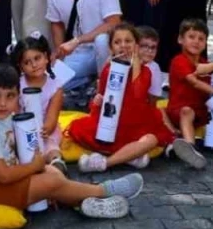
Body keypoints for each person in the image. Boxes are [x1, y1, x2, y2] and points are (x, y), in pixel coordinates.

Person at [0, 64, 142, 217]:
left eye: (10, 96)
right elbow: (3, 176)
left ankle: (85, 204)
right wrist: (34, 167)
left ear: (18, 96)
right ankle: (104, 191)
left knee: (54, 173)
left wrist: (38, 168)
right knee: (51, 182)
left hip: (2, 178)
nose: (3, 103)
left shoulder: (3, 115)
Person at [69, 24, 175, 171]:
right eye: (117, 42)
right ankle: (130, 156)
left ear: (136, 45)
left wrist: (136, 62)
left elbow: (138, 94)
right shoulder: (108, 69)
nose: (123, 45)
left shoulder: (145, 71)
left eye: (128, 41)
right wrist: (97, 101)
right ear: (111, 48)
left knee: (152, 139)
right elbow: (101, 97)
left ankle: (106, 163)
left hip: (136, 124)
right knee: (77, 128)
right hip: (112, 124)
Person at [46, 0, 123, 110]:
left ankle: (103, 88)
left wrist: (78, 40)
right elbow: (56, 23)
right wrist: (60, 53)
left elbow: (114, 22)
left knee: (102, 40)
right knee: (51, 83)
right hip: (78, 54)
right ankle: (89, 83)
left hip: (105, 50)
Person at [12, 35, 64, 169]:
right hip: (22, 129)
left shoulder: (55, 87)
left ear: (46, 57)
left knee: (50, 147)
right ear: (20, 67)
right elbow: (14, 112)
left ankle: (56, 162)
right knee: (20, 150)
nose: (34, 65)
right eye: (27, 62)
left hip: (45, 130)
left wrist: (45, 130)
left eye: (37, 58)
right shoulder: (17, 85)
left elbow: (52, 117)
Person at [166, 17, 212, 170]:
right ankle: (191, 148)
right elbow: (194, 82)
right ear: (180, 39)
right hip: (178, 111)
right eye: (191, 37)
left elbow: (212, 83)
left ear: (205, 43)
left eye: (201, 39)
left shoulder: (205, 64)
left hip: (201, 113)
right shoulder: (179, 60)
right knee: (187, 111)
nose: (196, 41)